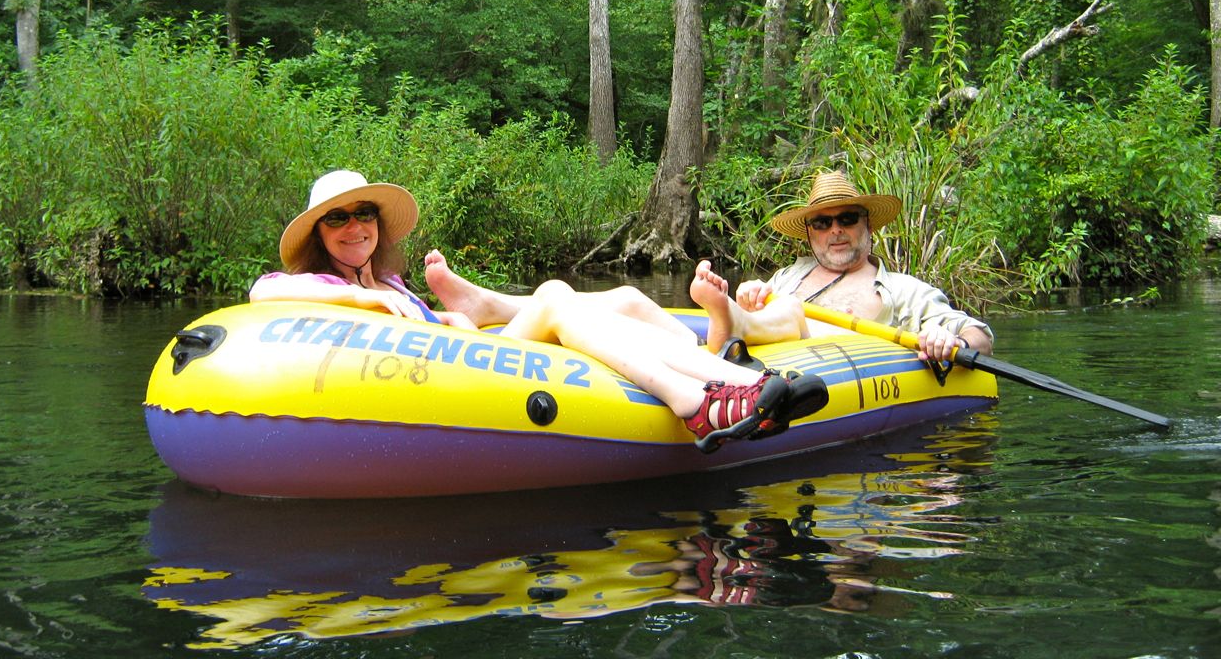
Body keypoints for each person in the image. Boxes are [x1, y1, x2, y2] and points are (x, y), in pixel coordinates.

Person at [251, 170, 829, 449]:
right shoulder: (311, 283)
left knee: (611, 299)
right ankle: (699, 401)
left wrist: (443, 318)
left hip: (468, 356)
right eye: (338, 218)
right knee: (554, 293)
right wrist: (360, 295)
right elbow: (261, 295)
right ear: (318, 233)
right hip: (458, 379)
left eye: (364, 215)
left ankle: (746, 386)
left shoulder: (397, 285)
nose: (354, 227)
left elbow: (430, 335)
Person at [687, 171, 993, 363]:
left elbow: (980, 337)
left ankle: (736, 323)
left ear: (867, 225)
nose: (835, 230)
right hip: (765, 366)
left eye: (846, 219)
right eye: (822, 222)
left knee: (791, 310)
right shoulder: (786, 277)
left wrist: (952, 339)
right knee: (637, 306)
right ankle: (732, 321)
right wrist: (749, 301)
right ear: (809, 232)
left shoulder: (906, 289)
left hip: (837, 375)